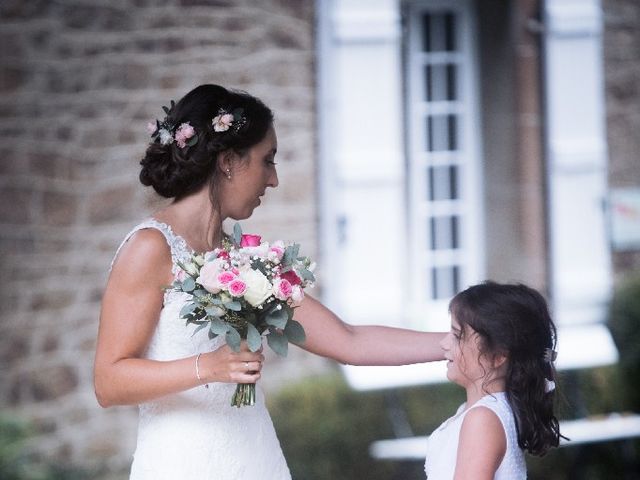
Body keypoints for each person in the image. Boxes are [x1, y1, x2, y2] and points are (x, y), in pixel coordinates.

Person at [93, 84, 446, 480]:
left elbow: (348, 340)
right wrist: (207, 367)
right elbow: (109, 382)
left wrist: (454, 343)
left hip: (255, 457)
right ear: (228, 161)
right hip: (181, 464)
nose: (274, 179)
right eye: (268, 160)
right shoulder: (150, 248)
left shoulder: (246, 260)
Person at [424, 282, 562, 480]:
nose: (443, 344)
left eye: (457, 336)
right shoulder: (481, 411)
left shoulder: (483, 418)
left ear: (498, 356)